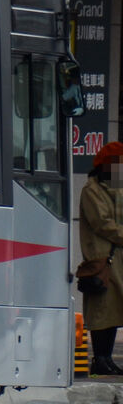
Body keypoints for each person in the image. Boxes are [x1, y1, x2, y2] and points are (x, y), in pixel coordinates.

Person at [78, 141, 123, 375]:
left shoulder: (118, 189)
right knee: (101, 309)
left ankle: (106, 359)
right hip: (101, 260)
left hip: (117, 260)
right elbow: (101, 223)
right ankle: (100, 358)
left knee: (114, 310)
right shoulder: (91, 190)